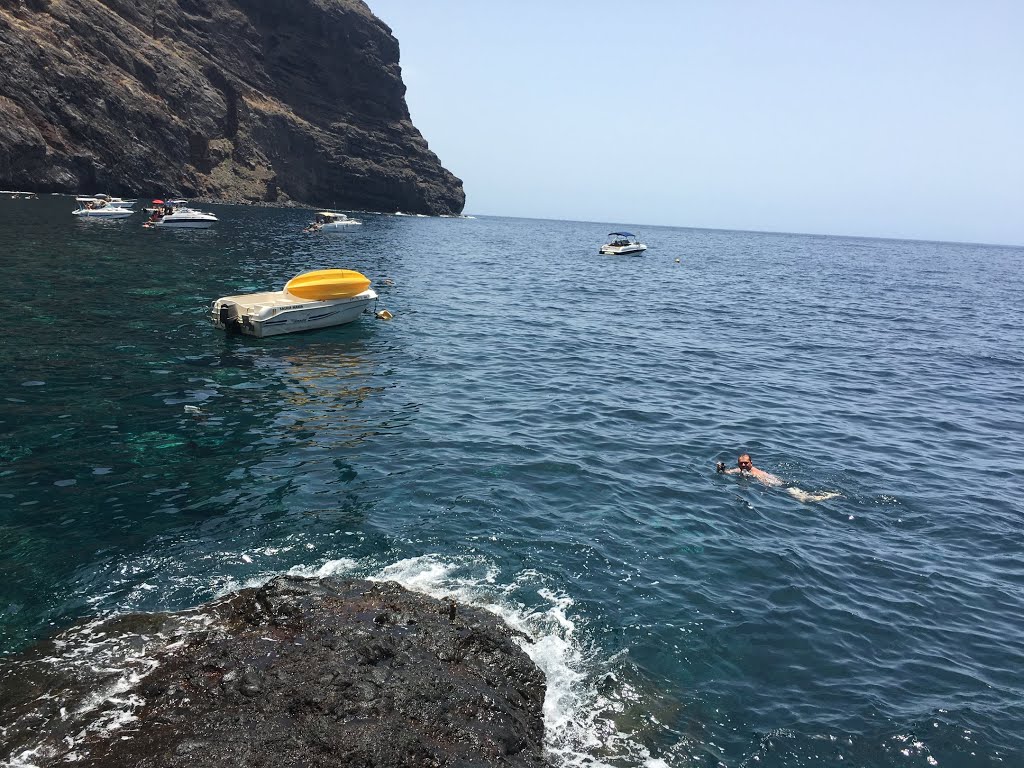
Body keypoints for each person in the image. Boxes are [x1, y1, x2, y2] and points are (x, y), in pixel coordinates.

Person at [716, 453, 839, 502]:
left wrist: (766, 491)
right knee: (804, 498)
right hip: (778, 485)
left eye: (746, 463)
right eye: (741, 463)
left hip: (780, 486)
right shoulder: (739, 470)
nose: (743, 464)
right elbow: (727, 473)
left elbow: (765, 482)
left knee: (804, 499)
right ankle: (826, 494)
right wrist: (720, 469)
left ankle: (830, 495)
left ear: (751, 463)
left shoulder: (755, 473)